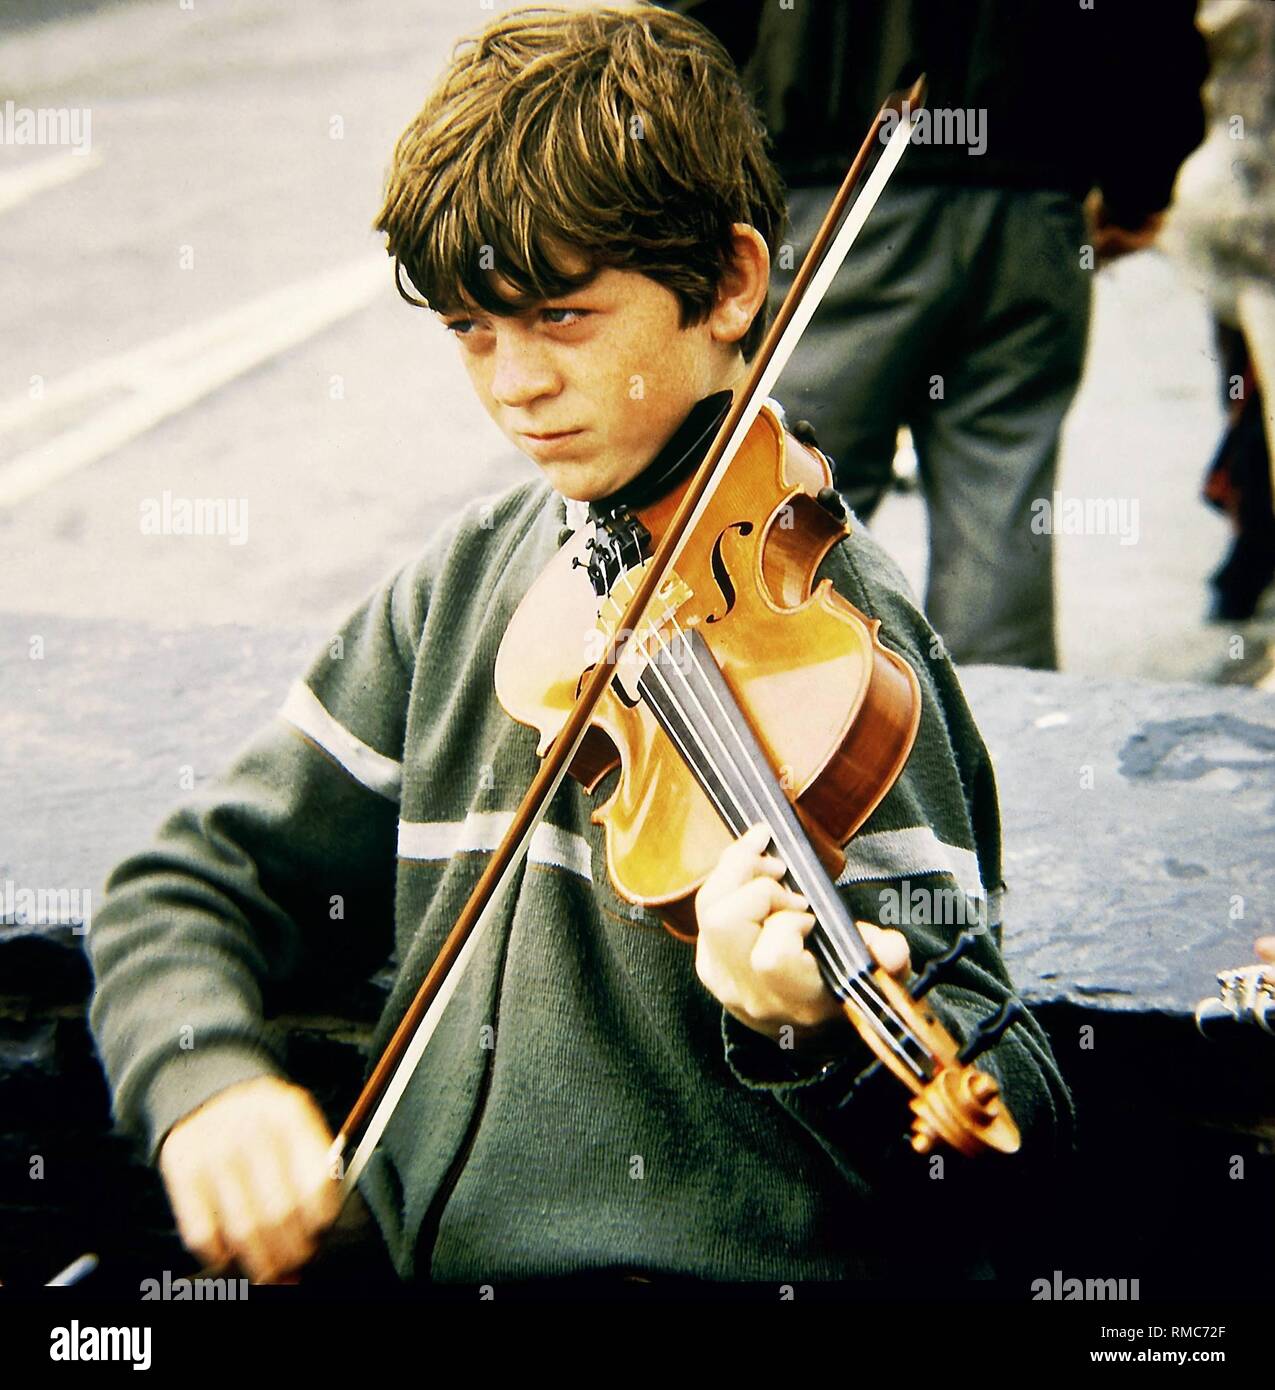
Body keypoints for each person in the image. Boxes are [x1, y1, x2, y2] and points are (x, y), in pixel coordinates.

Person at [86, 5, 1073, 1290]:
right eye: (470, 332)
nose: (513, 387)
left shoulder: (839, 643)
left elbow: (1011, 1113)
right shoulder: (465, 582)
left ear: (730, 283)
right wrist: (203, 1079)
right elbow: (185, 883)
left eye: (559, 319)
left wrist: (802, 1027)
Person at [655, 0, 1208, 669]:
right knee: (998, 512)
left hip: (834, 187)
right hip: (1028, 197)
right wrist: (1139, 184)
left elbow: (682, 33)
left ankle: (780, 749)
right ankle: (999, 741)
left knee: (785, 508)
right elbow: (1153, 28)